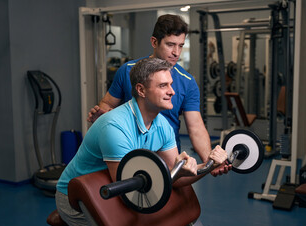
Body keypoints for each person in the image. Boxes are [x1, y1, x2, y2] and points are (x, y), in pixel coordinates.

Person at [56, 58, 229, 226]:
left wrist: (208, 165)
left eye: (171, 84)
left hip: (111, 187)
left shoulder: (162, 125)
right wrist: (178, 172)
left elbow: (175, 179)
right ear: (141, 90)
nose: (172, 92)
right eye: (163, 86)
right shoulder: (114, 127)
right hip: (77, 198)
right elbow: (129, 193)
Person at [88, 14, 224, 176]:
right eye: (170, 45)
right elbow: (108, 104)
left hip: (167, 154)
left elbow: (195, 128)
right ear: (154, 42)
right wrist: (102, 117)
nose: (176, 52)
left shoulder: (187, 82)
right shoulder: (128, 71)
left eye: (180, 46)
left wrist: (210, 163)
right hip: (130, 152)